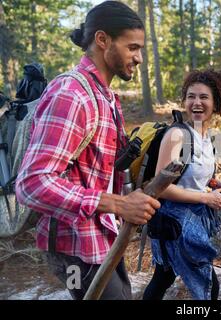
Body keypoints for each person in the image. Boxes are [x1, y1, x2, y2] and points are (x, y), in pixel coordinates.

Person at [15, 1, 160, 300]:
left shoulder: (104, 97)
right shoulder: (71, 95)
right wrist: (118, 205)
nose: (140, 58)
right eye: (132, 47)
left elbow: (96, 171)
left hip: (103, 237)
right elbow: (32, 183)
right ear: (103, 40)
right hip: (75, 247)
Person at [142, 70, 221, 300]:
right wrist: (206, 198)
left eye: (204, 97)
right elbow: (160, 186)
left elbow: (192, 176)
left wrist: (213, 184)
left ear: (216, 103)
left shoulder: (204, 137)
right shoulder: (177, 135)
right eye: (191, 96)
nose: (196, 102)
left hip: (191, 219)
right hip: (173, 221)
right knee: (209, 286)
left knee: (163, 277)